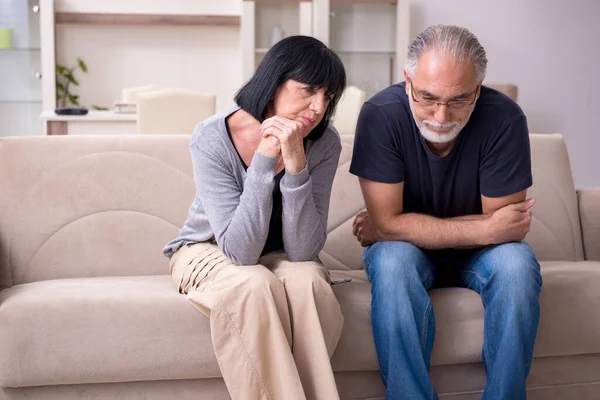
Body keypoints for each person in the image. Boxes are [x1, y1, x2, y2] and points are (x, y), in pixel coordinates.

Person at [350, 25, 542, 400]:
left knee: (517, 266)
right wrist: (486, 226)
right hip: (406, 252)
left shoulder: (504, 118)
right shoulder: (380, 115)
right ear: (407, 81)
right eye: (427, 97)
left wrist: (397, 225)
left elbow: (508, 229)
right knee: (392, 262)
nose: (440, 116)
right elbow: (389, 227)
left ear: (479, 87)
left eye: (459, 100)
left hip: (482, 255)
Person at [163, 35, 346, 400]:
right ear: (273, 82)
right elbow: (241, 253)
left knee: (308, 280)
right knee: (253, 284)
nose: (317, 107)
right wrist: (265, 158)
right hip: (209, 248)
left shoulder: (325, 142)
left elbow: (303, 251)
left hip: (278, 252)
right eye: (308, 90)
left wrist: (296, 167)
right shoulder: (212, 137)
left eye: (328, 97)